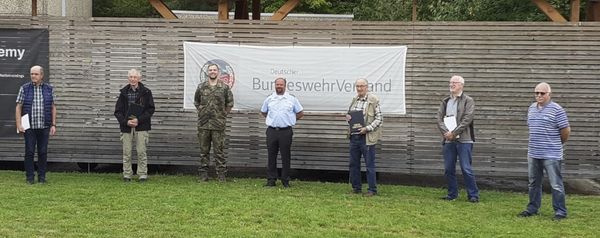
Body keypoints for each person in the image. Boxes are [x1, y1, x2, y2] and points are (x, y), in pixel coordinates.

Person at [518, 82, 570, 221]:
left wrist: (557, 144)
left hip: (552, 154)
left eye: (542, 93)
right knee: (533, 183)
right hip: (534, 153)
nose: (539, 95)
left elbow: (565, 131)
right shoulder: (532, 108)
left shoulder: (557, 110)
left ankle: (560, 211)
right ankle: (532, 208)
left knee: (556, 184)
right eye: (537, 93)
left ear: (549, 94)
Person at [436, 75, 480, 203]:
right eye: (450, 82)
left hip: (464, 140)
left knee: (466, 168)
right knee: (449, 168)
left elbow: (467, 119)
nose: (451, 85)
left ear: (461, 85)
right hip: (449, 140)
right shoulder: (445, 101)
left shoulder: (468, 101)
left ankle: (473, 195)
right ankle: (452, 194)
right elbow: (439, 118)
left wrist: (454, 133)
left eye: (454, 82)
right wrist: (446, 133)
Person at [15, 65, 57, 184]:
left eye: (36, 74)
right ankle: (29, 178)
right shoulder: (24, 88)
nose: (33, 76)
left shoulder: (49, 89)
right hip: (29, 127)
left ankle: (42, 177)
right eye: (32, 74)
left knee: (43, 152)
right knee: (29, 152)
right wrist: (19, 124)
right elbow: (18, 107)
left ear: (42, 75)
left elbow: (53, 107)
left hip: (44, 126)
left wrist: (53, 124)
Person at [260, 77, 304, 188]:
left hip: (286, 131)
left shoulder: (291, 99)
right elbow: (263, 112)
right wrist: (273, 120)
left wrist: (291, 120)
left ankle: (285, 180)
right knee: (271, 156)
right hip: (272, 131)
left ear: (285, 85)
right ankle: (271, 180)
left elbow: (300, 112)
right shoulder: (270, 98)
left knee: (286, 156)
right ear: (274, 85)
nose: (279, 86)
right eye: (277, 84)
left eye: (281, 85)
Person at [194, 63, 234, 182]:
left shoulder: (224, 87)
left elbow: (230, 103)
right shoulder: (201, 87)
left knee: (219, 151)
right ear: (207, 72)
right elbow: (197, 102)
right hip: (204, 124)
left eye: (214, 70)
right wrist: (203, 112)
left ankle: (221, 175)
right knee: (203, 151)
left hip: (218, 124)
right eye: (210, 70)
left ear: (218, 72)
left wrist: (222, 115)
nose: (212, 72)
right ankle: (203, 175)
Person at [114, 69, 155, 182]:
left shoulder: (146, 92)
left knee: (141, 151)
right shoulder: (123, 93)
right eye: (130, 77)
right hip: (126, 127)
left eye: (135, 77)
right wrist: (125, 122)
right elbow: (118, 112)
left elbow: (150, 110)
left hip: (141, 126)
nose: (132, 79)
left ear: (139, 78)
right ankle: (127, 174)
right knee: (126, 152)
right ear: (128, 78)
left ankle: (142, 174)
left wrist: (139, 120)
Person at [345, 78, 382, 196]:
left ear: (367, 87)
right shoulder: (354, 100)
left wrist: (367, 128)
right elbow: (350, 115)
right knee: (353, 163)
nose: (359, 89)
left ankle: (372, 190)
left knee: (369, 164)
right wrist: (348, 118)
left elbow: (379, 119)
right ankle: (356, 188)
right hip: (354, 137)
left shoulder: (373, 100)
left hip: (367, 137)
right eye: (357, 86)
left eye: (362, 86)